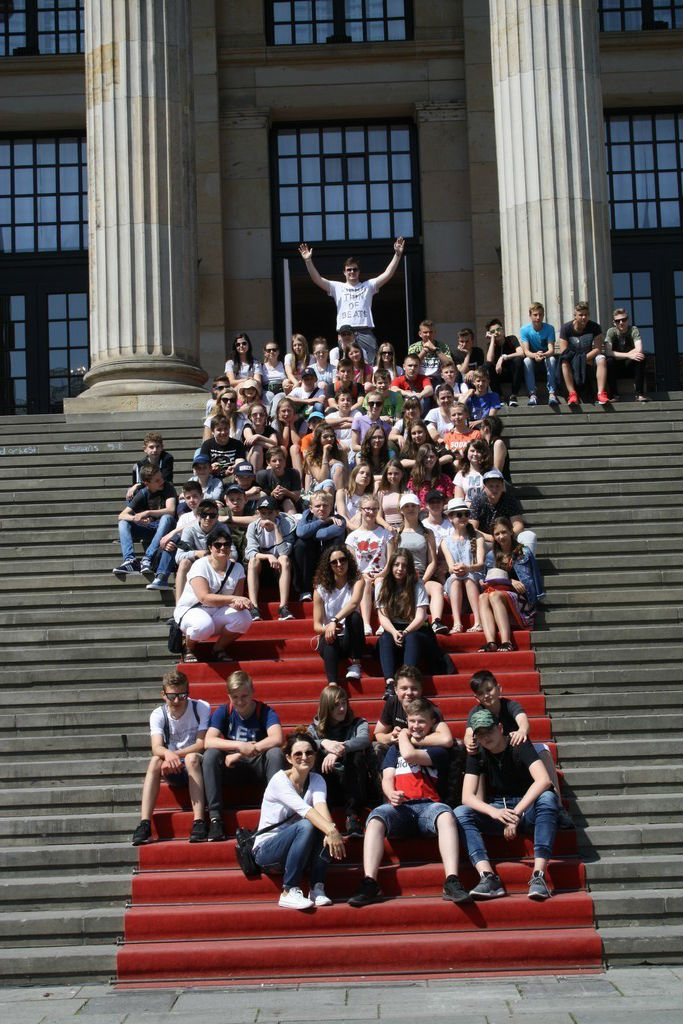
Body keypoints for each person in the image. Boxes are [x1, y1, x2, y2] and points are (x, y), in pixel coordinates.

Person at [348, 697, 471, 907]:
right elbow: (387, 778)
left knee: (446, 815)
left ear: (431, 723)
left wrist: (404, 734)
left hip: (429, 806)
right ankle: (370, 882)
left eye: (421, 721)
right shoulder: (393, 750)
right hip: (400, 807)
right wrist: (391, 793)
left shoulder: (437, 749)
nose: (416, 726)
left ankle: (452, 880)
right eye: (412, 721)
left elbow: (410, 755)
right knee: (375, 819)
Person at [454, 708, 560, 901]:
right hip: (498, 809)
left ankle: (538, 875)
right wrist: (494, 813)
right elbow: (467, 797)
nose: (485, 738)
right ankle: (488, 877)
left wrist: (516, 814)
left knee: (547, 797)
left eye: (489, 731)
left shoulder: (518, 743)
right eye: (480, 734)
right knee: (461, 812)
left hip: (527, 807)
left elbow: (544, 780)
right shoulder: (477, 753)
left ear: (500, 727)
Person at [462, 670, 573, 829]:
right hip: (493, 754)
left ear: (499, 688)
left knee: (543, 749)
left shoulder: (510, 705)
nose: (486, 695)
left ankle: (559, 806)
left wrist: (521, 731)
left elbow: (523, 721)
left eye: (489, 689)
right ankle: (481, 808)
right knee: (475, 756)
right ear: (476, 698)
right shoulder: (476, 712)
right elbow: (468, 733)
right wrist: (469, 743)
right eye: (481, 693)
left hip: (518, 751)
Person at [253, 728, 346, 910]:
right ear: (288, 758)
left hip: (298, 849)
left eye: (309, 753)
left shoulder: (317, 779)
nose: (304, 757)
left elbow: (321, 807)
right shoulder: (279, 780)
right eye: (298, 754)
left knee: (324, 826)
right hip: (267, 851)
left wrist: (331, 830)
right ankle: (289, 890)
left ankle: (317, 886)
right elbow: (306, 811)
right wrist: (331, 830)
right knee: (308, 824)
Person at [203, 670, 286, 844]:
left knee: (275, 753)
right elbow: (208, 741)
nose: (240, 701)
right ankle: (215, 818)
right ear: (228, 696)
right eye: (235, 697)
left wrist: (247, 750)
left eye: (244, 696)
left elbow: (277, 738)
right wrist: (239, 746)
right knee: (210, 755)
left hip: (257, 764)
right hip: (232, 766)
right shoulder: (224, 711)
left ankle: (275, 813)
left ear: (253, 692)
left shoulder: (264, 711)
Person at [131, 669, 211, 847]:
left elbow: (201, 744)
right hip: (172, 767)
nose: (177, 701)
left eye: (182, 695)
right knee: (155, 761)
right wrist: (167, 754)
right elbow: (156, 747)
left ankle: (199, 821)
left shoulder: (200, 707)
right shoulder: (158, 714)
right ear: (163, 695)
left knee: (191, 758)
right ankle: (145, 823)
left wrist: (173, 755)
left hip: (196, 764)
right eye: (172, 696)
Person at [298, 239, 406, 364]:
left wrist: (397, 254)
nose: (352, 272)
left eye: (355, 269)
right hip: (345, 332)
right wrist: (308, 260)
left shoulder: (368, 285)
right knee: (345, 364)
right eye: (349, 270)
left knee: (371, 363)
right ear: (344, 272)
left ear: (359, 271)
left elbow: (388, 274)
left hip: (365, 331)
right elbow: (317, 279)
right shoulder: (337, 287)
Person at [376, 549, 453, 699]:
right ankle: (390, 684)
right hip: (394, 628)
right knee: (385, 638)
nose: (400, 569)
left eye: (404, 565)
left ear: (409, 567)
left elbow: (421, 616)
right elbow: (383, 617)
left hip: (418, 629)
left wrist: (405, 632)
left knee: (411, 637)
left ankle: (407, 682)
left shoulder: (417, 584)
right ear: (390, 567)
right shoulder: (382, 585)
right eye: (396, 565)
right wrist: (394, 632)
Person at [173, 524, 252, 663]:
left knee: (244, 617)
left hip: (217, 611)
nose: (223, 548)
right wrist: (235, 598)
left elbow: (235, 601)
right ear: (210, 547)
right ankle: (188, 647)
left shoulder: (238, 568)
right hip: (192, 609)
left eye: (227, 544)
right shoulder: (200, 565)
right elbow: (204, 598)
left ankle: (218, 649)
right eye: (218, 544)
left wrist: (241, 604)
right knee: (203, 624)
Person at [308, 685, 372, 837]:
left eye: (344, 703)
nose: (342, 708)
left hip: (353, 782)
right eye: (336, 705)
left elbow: (364, 740)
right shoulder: (314, 729)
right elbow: (304, 742)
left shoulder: (358, 723)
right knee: (314, 753)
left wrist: (338, 751)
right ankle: (324, 816)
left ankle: (353, 817)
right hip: (329, 782)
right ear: (326, 707)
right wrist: (324, 742)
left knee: (356, 753)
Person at [477, 515, 544, 654]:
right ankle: (491, 642)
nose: (501, 537)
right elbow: (487, 577)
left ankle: (506, 641)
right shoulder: (491, 555)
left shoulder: (523, 552)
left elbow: (530, 580)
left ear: (511, 531)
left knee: (494, 596)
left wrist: (510, 581)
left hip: (521, 598)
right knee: (482, 597)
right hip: (499, 595)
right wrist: (483, 582)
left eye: (504, 532)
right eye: (497, 534)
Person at [389, 491, 446, 633]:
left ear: (419, 508)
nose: (410, 509)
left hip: (422, 577)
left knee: (437, 588)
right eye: (406, 506)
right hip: (400, 577)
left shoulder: (428, 532)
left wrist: (422, 580)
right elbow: (392, 560)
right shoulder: (396, 533)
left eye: (413, 506)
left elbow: (432, 561)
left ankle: (436, 621)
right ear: (401, 510)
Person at [373, 665, 454, 762]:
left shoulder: (430, 709)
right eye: (404, 688)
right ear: (395, 689)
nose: (409, 693)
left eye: (414, 688)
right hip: (397, 750)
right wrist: (391, 737)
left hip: (423, 751)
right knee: (375, 748)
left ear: (421, 689)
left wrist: (407, 738)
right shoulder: (392, 702)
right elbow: (378, 734)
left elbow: (446, 739)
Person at [312, 544, 366, 684]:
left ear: (348, 560)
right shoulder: (320, 589)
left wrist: (334, 621)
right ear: (329, 565)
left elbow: (354, 603)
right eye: (334, 562)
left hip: (351, 638)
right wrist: (328, 629)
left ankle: (356, 663)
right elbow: (317, 626)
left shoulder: (357, 580)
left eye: (342, 560)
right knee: (330, 639)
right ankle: (333, 685)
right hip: (332, 638)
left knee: (354, 617)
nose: (339, 564)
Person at [113, 465, 177, 579]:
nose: (161, 481)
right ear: (147, 483)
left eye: (161, 478)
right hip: (150, 529)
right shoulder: (143, 493)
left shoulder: (168, 487)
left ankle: (148, 558)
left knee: (166, 518)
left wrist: (148, 512)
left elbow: (171, 510)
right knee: (123, 522)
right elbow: (121, 515)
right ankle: (130, 561)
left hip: (167, 530)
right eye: (157, 480)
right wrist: (136, 518)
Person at [345, 494, 392, 637]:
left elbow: (391, 559)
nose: (371, 512)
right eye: (367, 509)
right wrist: (362, 574)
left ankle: (383, 621)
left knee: (380, 582)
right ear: (360, 510)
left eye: (374, 509)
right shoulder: (352, 537)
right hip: (362, 575)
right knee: (364, 582)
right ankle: (366, 624)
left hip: (382, 573)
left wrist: (383, 573)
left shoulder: (385, 534)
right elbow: (352, 564)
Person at [245, 495, 296, 621]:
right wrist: (268, 556)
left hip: (279, 567)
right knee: (253, 561)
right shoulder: (253, 526)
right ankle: (254, 608)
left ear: (277, 513)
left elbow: (285, 552)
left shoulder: (287, 525)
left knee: (284, 559)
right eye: (263, 513)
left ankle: (283, 607)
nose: (267, 516)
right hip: (262, 567)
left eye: (270, 513)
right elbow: (250, 552)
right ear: (259, 513)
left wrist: (276, 529)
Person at [442, 498, 485, 635]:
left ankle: (478, 622)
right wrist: (457, 569)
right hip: (456, 577)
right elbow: (450, 567)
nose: (464, 517)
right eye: (459, 515)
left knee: (468, 578)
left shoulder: (477, 536)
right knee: (455, 579)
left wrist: (467, 568)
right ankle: (457, 623)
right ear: (450, 517)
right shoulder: (445, 541)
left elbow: (480, 564)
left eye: (466, 514)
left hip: (474, 575)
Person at [293, 491, 345, 601]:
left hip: (329, 559)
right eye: (318, 506)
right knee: (301, 544)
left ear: (331, 507)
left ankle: (332, 587)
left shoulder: (339, 520)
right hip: (310, 559)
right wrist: (323, 521)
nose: (322, 509)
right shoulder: (306, 516)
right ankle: (305, 590)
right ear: (311, 508)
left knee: (335, 544)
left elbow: (323, 534)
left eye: (325, 505)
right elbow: (301, 532)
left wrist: (310, 531)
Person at [469, 468, 537, 552]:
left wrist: (506, 536)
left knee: (529, 536)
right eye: (491, 486)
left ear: (502, 486)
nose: (494, 489)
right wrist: (492, 537)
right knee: (472, 542)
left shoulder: (509, 499)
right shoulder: (477, 500)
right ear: (484, 487)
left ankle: (526, 560)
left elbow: (518, 525)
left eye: (497, 486)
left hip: (508, 539)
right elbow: (472, 528)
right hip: (487, 542)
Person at [559, 300, 608, 406]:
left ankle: (601, 393)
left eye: (586, 315)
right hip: (572, 359)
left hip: (589, 357)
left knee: (602, 359)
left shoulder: (595, 327)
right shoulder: (566, 328)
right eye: (581, 315)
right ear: (575, 316)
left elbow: (598, 349)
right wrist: (579, 360)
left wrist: (584, 358)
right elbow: (564, 351)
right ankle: (572, 394)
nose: (584, 317)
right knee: (564, 362)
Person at [604, 307, 649, 402]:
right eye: (618, 321)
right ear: (614, 322)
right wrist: (628, 355)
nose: (621, 322)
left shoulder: (633, 329)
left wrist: (623, 355)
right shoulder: (611, 331)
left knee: (641, 358)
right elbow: (608, 352)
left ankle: (639, 394)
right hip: (617, 368)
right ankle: (614, 395)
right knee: (609, 361)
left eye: (623, 320)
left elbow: (639, 349)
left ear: (628, 320)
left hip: (630, 367)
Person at [520, 302, 559, 406]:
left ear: (543, 315)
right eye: (535, 315)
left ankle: (552, 393)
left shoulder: (549, 328)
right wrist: (535, 355)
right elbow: (526, 351)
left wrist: (542, 355)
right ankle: (532, 394)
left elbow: (551, 350)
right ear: (530, 315)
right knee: (526, 361)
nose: (538, 317)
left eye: (540, 314)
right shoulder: (524, 330)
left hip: (545, 357)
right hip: (533, 359)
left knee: (552, 359)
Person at [484, 318, 524, 407]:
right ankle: (499, 396)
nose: (497, 332)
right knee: (487, 365)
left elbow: (521, 353)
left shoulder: (511, 339)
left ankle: (513, 395)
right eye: (493, 331)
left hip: (513, 373)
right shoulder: (491, 345)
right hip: (499, 375)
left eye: (498, 329)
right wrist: (492, 340)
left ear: (503, 330)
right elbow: (489, 360)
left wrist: (503, 357)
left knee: (518, 360)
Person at [126, 431, 174, 501]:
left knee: (168, 485)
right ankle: (133, 507)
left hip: (163, 489)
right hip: (149, 490)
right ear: (145, 449)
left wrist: (138, 485)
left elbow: (165, 479)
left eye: (158, 447)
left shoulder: (167, 458)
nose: (155, 450)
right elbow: (137, 484)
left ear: (162, 447)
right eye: (151, 447)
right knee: (130, 490)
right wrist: (135, 486)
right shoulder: (140, 464)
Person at [303, 421, 348, 491]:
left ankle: (340, 496)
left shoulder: (341, 453)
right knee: (328, 483)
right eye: (325, 437)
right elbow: (321, 479)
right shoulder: (311, 456)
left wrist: (339, 463)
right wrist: (325, 455)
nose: (330, 439)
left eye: (332, 436)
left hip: (340, 487)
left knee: (338, 467)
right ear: (318, 439)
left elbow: (349, 477)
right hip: (319, 489)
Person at [199, 415, 247, 479]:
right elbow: (203, 465)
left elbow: (240, 462)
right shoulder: (207, 445)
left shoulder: (238, 444)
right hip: (211, 478)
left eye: (226, 429)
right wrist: (211, 467)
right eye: (219, 430)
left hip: (233, 477)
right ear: (212, 431)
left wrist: (234, 467)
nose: (223, 432)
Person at [256, 445, 301, 513]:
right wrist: (272, 494)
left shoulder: (293, 473)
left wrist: (286, 492)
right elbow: (260, 497)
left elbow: (297, 497)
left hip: (289, 504)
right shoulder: (262, 475)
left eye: (280, 460)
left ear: (284, 461)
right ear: (268, 463)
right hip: (269, 504)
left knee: (287, 502)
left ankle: (292, 519)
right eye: (274, 461)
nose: (278, 463)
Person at [335, 460, 375, 530]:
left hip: (363, 529)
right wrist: (354, 529)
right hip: (344, 528)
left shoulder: (369, 498)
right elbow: (342, 516)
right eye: (361, 473)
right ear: (354, 475)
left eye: (368, 474)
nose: (365, 476)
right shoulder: (342, 493)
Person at [242, 400, 280, 472]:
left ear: (265, 417)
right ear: (250, 417)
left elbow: (275, 443)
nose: (258, 417)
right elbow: (251, 441)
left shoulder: (269, 429)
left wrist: (258, 436)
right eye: (254, 414)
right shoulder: (247, 427)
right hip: (250, 459)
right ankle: (255, 477)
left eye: (261, 414)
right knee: (257, 448)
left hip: (267, 461)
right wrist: (269, 444)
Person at [453, 438, 490, 506]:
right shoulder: (461, 474)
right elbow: (459, 501)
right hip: (467, 510)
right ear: (467, 452)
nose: (475, 454)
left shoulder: (492, 471)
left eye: (479, 451)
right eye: (472, 451)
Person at [376, 458, 407, 531]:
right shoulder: (381, 493)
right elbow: (378, 517)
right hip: (387, 528)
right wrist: (388, 527)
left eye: (396, 473)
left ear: (402, 474)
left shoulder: (407, 493)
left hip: (404, 528)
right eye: (390, 474)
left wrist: (401, 528)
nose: (393, 476)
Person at [480, 416, 510, 480]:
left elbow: (497, 471)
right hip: (488, 481)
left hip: (498, 483)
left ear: (485, 428)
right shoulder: (486, 444)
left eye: (480, 426)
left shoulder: (498, 443)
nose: (479, 430)